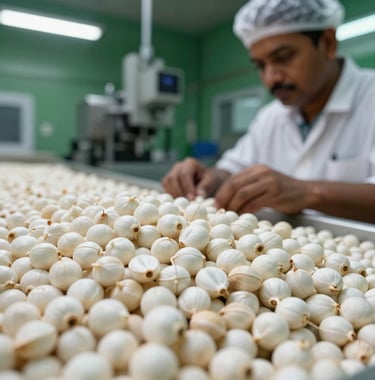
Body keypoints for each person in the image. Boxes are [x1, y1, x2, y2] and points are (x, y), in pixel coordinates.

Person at [162, 0, 375, 223]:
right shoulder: (271, 116)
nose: (271, 78)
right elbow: (233, 169)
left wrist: (308, 192)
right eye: (261, 66)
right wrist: (208, 178)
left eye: (283, 58)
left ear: (328, 43)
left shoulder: (370, 97)